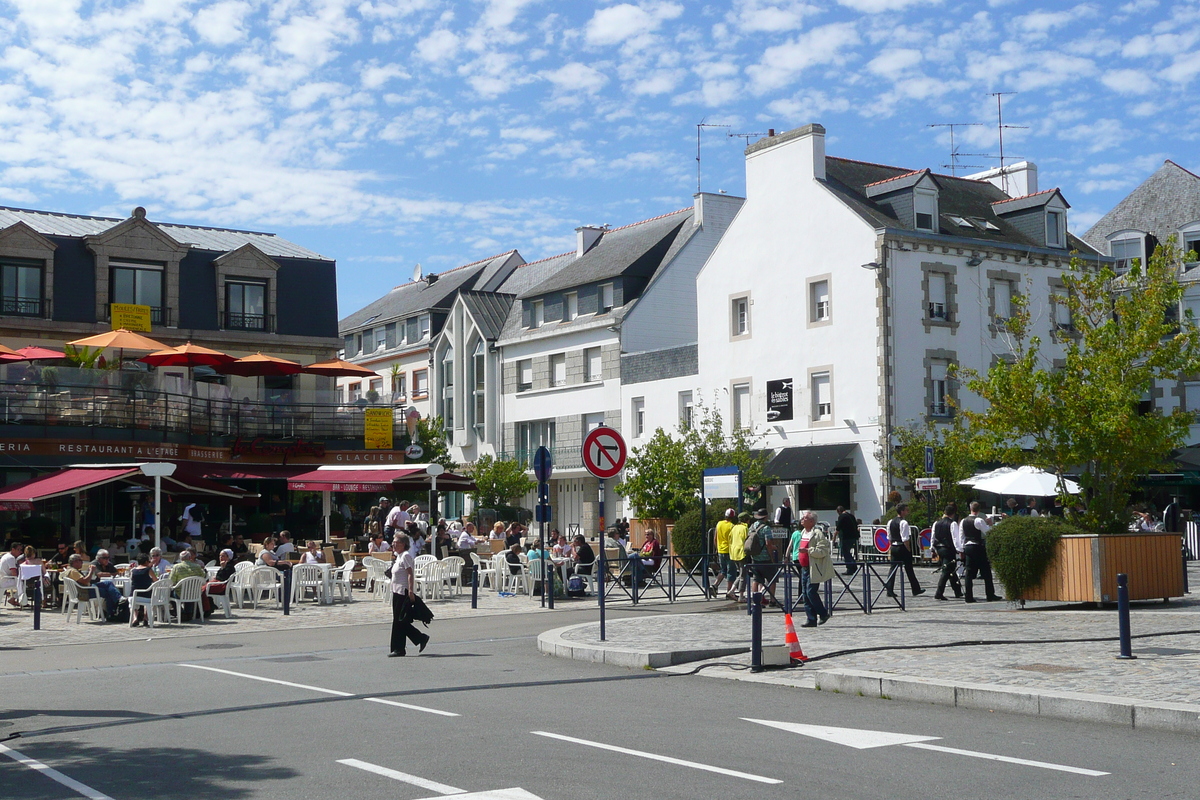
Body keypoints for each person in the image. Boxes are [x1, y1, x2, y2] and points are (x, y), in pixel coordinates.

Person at [388, 532, 429, 657]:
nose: (393, 544)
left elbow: (410, 574)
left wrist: (411, 591)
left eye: (396, 542)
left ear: (403, 544)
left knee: (399, 621)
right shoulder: (398, 556)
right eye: (393, 542)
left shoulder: (406, 556)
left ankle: (400, 648)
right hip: (396, 591)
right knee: (398, 621)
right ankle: (418, 639)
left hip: (403, 591)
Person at [788, 511, 831, 627]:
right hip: (804, 568)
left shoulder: (817, 534)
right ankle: (811, 619)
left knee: (811, 592)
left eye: (805, 518)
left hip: (814, 568)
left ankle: (823, 613)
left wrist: (808, 551)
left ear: (811, 521)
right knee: (805, 594)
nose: (802, 519)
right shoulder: (802, 532)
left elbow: (823, 551)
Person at [962, 502, 1003, 602]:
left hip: (968, 546)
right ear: (979, 510)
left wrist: (962, 549)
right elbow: (988, 532)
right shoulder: (979, 520)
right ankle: (990, 594)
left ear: (970, 509)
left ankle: (968, 596)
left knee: (969, 572)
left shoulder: (963, 520)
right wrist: (990, 524)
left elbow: (961, 536)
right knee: (986, 571)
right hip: (977, 546)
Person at [882, 504, 924, 597]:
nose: (907, 512)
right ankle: (915, 589)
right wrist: (908, 550)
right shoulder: (903, 522)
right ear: (902, 511)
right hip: (902, 547)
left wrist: (891, 546)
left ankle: (889, 589)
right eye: (906, 510)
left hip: (894, 546)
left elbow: (889, 536)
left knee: (893, 569)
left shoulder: (890, 522)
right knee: (909, 568)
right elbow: (905, 539)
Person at [64, 554, 122, 620]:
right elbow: (85, 581)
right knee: (108, 591)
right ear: (75, 562)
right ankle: (112, 611)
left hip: (86, 588)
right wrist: (91, 571)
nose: (82, 562)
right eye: (80, 560)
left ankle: (118, 599)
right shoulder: (73, 571)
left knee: (108, 583)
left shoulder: (71, 570)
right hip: (84, 592)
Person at [932, 504, 964, 601]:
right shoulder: (952, 524)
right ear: (953, 514)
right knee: (946, 571)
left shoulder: (936, 523)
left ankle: (958, 591)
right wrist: (960, 550)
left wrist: (932, 548)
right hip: (948, 549)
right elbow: (955, 538)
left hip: (939, 548)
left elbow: (933, 536)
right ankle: (939, 592)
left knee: (951, 569)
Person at [747, 509, 779, 604]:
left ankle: (756, 601)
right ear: (765, 517)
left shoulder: (752, 527)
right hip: (765, 558)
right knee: (772, 579)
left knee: (756, 580)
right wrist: (772, 556)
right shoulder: (766, 528)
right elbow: (768, 544)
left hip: (755, 557)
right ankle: (772, 600)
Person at [727, 511, 750, 602]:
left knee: (740, 574)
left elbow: (730, 539)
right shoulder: (745, 528)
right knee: (743, 575)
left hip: (733, 553)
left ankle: (731, 591)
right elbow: (747, 541)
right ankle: (741, 595)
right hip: (742, 553)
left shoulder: (734, 528)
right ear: (746, 520)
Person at [713, 508, 735, 600]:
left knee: (723, 570)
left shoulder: (719, 524)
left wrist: (717, 548)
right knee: (731, 572)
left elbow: (715, 538)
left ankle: (715, 584)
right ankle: (729, 591)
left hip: (720, 550)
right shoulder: (732, 526)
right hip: (729, 551)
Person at [128, 554, 155, 626]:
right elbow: (156, 580)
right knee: (148, 603)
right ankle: (145, 618)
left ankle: (135, 618)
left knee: (132, 604)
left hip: (134, 596)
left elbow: (131, 580)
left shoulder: (133, 571)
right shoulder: (148, 570)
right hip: (146, 596)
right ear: (146, 562)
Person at [835, 505, 859, 575]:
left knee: (845, 553)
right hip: (853, 537)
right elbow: (856, 525)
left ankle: (850, 568)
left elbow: (838, 528)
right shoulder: (851, 516)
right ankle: (853, 565)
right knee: (848, 553)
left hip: (846, 537)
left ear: (839, 511)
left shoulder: (842, 517)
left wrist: (834, 538)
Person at [2, 541, 21, 607]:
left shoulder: (6, 555)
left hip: (3, 578)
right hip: (6, 580)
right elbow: (14, 573)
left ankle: (19, 600)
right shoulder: (11, 558)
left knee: (21, 582)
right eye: (18, 549)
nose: (20, 552)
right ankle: (13, 599)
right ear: (13, 549)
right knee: (23, 583)